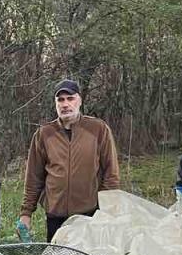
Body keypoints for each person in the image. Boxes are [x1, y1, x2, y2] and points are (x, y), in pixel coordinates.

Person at [19, 79, 121, 242]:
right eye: (60, 100)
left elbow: (111, 175)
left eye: (70, 98)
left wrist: (108, 210)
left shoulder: (98, 129)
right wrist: (26, 214)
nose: (65, 104)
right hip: (56, 216)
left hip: (89, 214)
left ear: (79, 101)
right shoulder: (44, 134)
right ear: (56, 104)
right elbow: (33, 178)